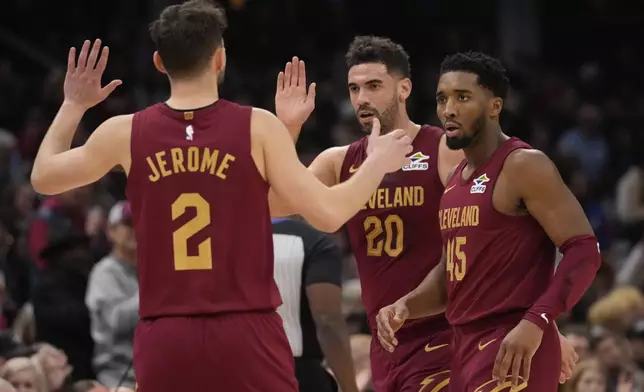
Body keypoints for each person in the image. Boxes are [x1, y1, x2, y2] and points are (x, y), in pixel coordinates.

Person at [29, 1, 413, 391]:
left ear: (159, 62)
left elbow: (43, 176)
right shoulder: (258, 127)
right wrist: (375, 163)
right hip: (245, 331)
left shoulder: (123, 132)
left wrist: (73, 104)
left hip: (167, 334)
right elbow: (328, 214)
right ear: (219, 57)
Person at [376, 51, 600, 391]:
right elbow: (451, 274)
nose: (448, 110)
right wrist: (406, 305)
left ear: (495, 106)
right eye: (442, 98)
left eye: (462, 97)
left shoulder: (523, 165)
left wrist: (538, 321)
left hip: (514, 344)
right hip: (464, 345)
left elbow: (584, 250)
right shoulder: (454, 179)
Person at [270, 36, 463, 392]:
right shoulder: (339, 160)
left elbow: (488, 239)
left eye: (374, 86)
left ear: (404, 88)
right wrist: (288, 129)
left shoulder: (443, 149)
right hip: (385, 342)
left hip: (442, 334)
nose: (362, 98)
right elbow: (269, 203)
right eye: (354, 88)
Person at [272, 217, 357, 392]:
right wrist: (350, 388)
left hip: (239, 366)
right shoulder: (315, 242)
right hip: (298, 372)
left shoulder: (231, 239)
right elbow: (327, 319)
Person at [85, 201, 138, 389]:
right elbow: (116, 321)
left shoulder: (154, 269)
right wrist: (155, 293)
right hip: (118, 375)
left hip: (154, 371)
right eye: (128, 224)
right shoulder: (105, 272)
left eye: (141, 222)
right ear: (111, 232)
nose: (135, 229)